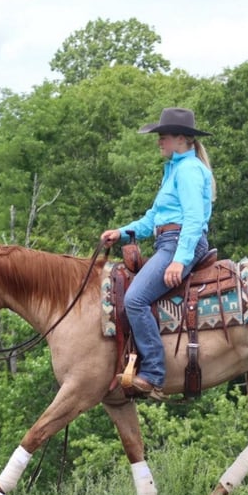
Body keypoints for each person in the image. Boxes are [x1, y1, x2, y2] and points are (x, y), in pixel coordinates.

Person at [101, 107, 216, 399]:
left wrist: (180, 258)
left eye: (162, 137)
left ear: (181, 138)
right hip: (168, 241)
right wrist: (122, 232)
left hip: (180, 243)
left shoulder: (188, 170)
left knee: (135, 300)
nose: (158, 142)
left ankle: (153, 374)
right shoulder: (174, 170)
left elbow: (192, 218)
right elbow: (153, 219)